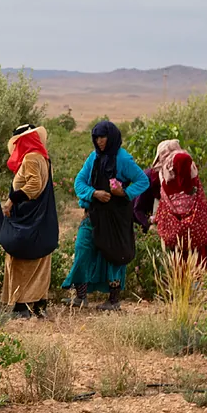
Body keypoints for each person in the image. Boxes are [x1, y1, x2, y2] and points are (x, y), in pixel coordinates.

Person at [63, 121, 149, 311]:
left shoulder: (123, 159)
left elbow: (143, 181)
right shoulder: (93, 158)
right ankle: (80, 296)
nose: (99, 141)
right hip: (93, 214)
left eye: (103, 137)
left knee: (114, 254)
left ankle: (113, 300)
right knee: (83, 248)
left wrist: (124, 192)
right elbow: (79, 182)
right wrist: (94, 193)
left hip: (116, 216)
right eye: (96, 138)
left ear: (111, 137)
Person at [0, 125, 58, 319]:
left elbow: (34, 185)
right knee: (39, 262)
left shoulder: (31, 158)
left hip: (28, 219)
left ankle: (22, 305)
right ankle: (39, 304)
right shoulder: (44, 159)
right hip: (41, 219)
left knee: (21, 260)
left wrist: (10, 201)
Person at [149, 140, 207, 273]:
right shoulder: (171, 166)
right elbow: (183, 160)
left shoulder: (173, 164)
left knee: (184, 263)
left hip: (178, 222)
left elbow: (182, 160)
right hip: (193, 221)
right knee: (199, 260)